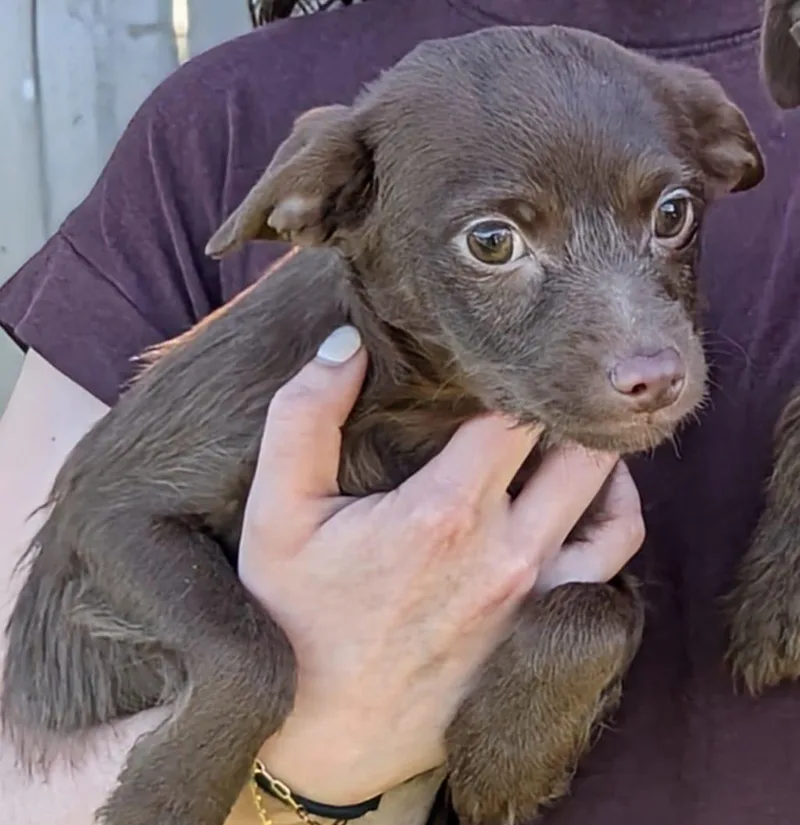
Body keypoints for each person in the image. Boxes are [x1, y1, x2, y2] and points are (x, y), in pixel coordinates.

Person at [0, 1, 798, 824]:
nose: (646, 359)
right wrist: (310, 743)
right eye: (493, 244)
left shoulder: (676, 115)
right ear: (310, 216)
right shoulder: (223, 124)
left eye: (670, 217)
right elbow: (22, 758)